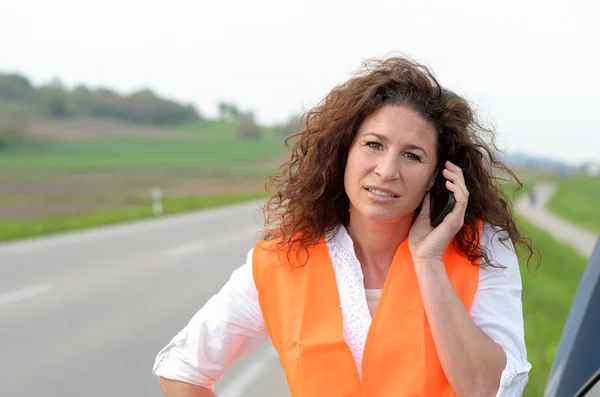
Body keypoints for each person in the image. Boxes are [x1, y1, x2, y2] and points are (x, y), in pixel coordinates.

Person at [152, 56, 535, 397]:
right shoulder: (281, 261)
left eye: (412, 155)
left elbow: (490, 390)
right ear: (344, 152)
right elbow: (181, 370)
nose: (387, 171)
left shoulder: (481, 250)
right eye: (373, 145)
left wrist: (429, 263)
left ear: (438, 174)